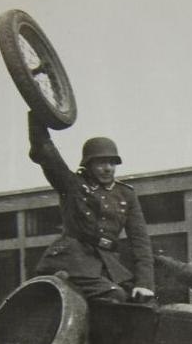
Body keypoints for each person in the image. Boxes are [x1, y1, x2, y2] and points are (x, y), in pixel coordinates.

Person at [27, 111, 155, 303]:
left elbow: (140, 242)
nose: (108, 168)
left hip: (108, 264)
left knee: (144, 304)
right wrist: (38, 111)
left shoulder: (126, 194)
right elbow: (45, 152)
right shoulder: (72, 184)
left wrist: (145, 283)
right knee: (114, 296)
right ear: (88, 164)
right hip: (72, 262)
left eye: (112, 162)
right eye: (101, 162)